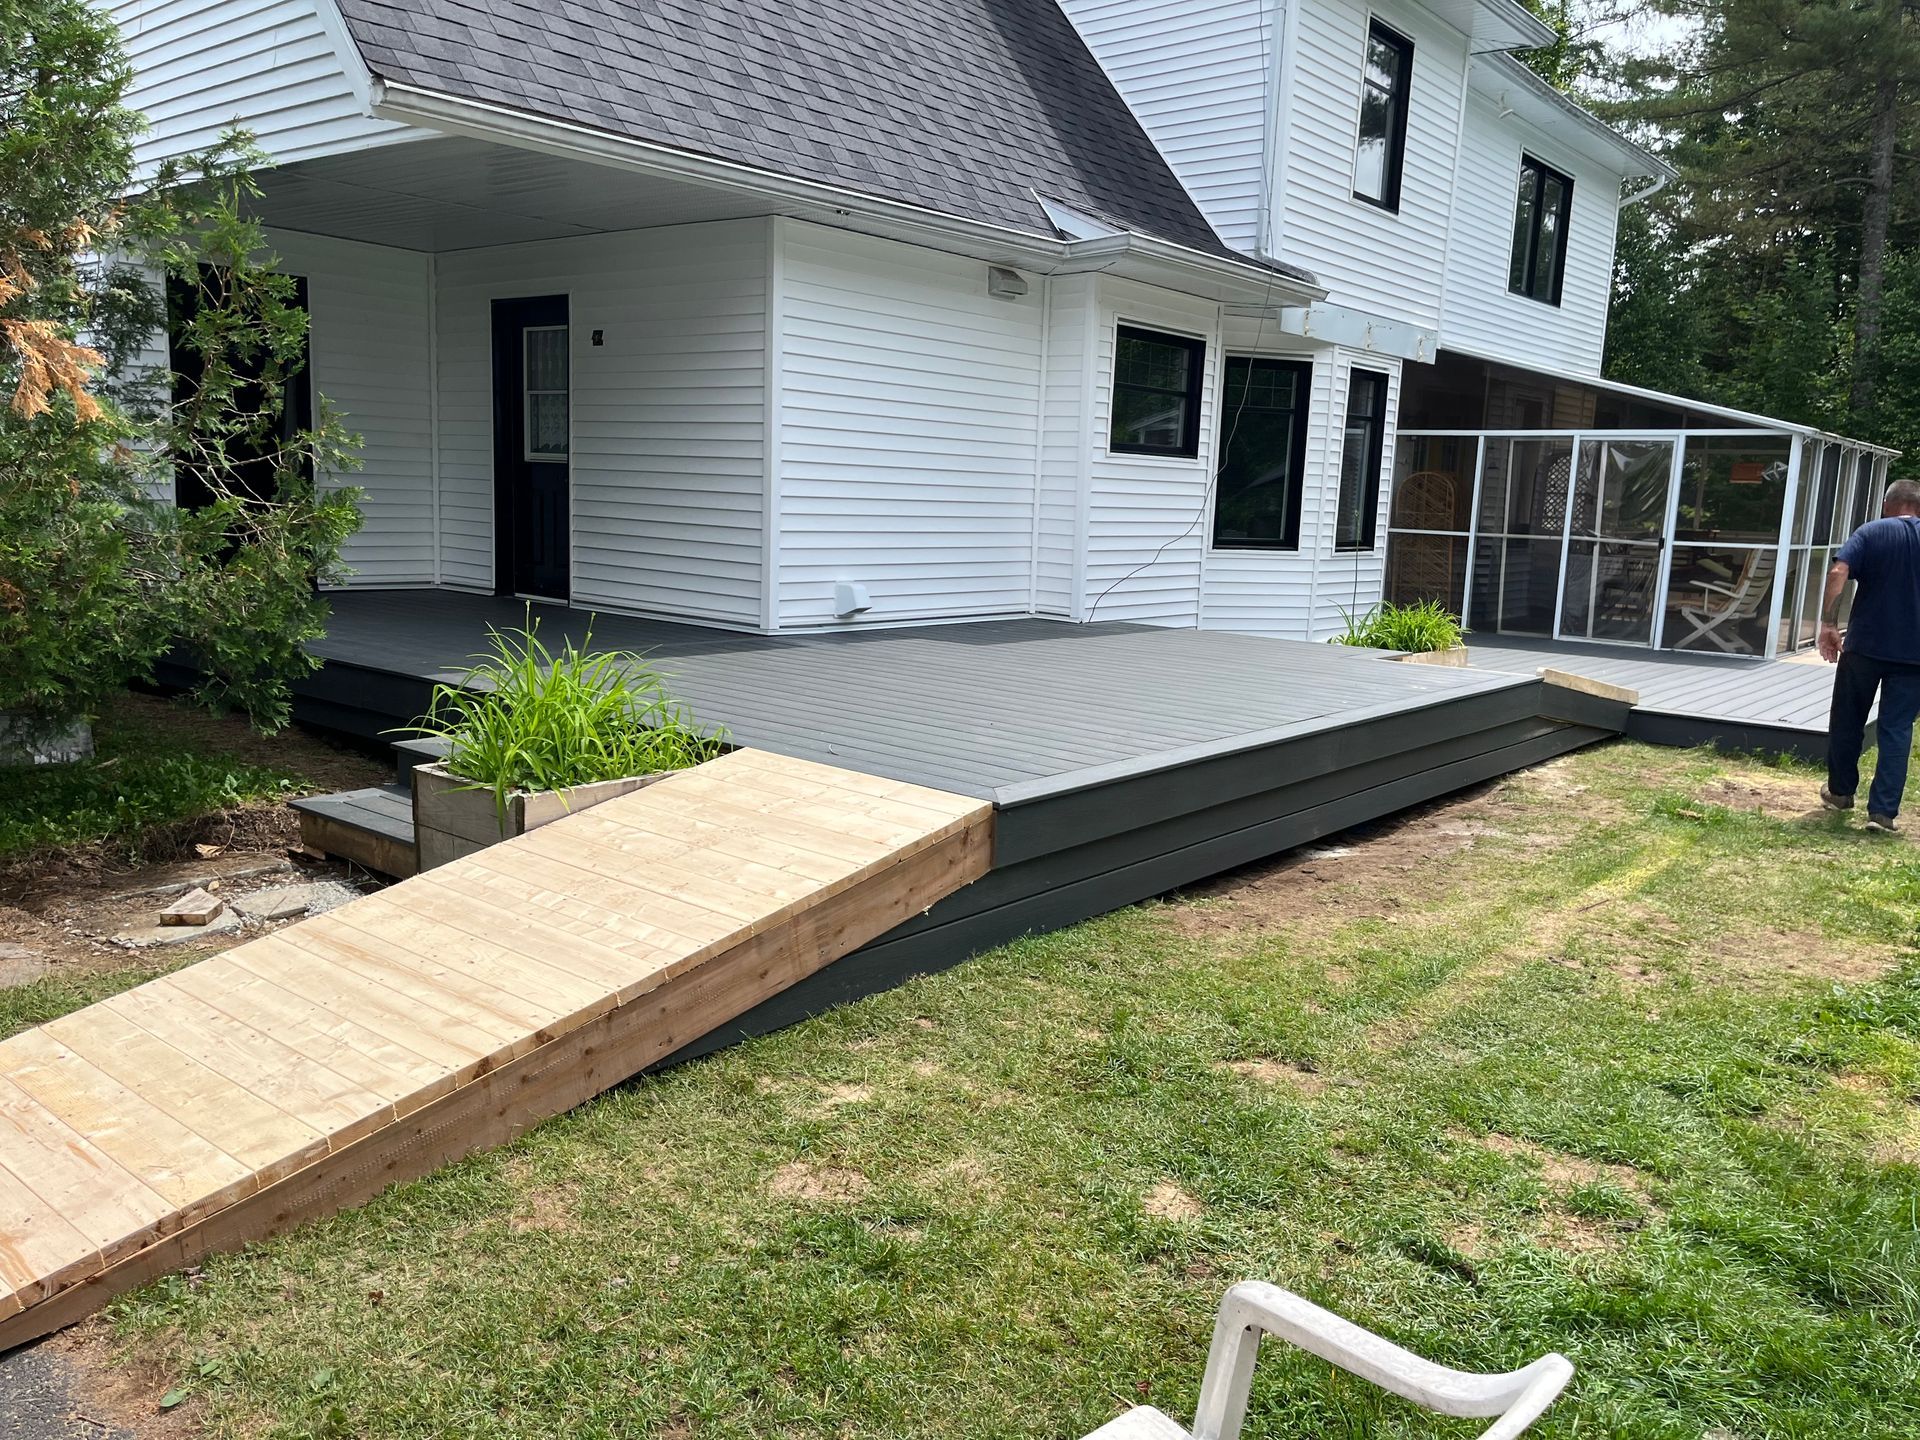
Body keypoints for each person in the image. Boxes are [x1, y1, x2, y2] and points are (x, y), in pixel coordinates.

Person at [1819, 477, 1920, 832]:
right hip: (1914, 654)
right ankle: (1883, 813)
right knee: (1897, 728)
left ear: (1887, 505)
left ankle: (1841, 793)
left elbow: (1838, 570)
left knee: (1847, 719)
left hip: (1864, 647)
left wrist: (1829, 623)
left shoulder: (1871, 532)